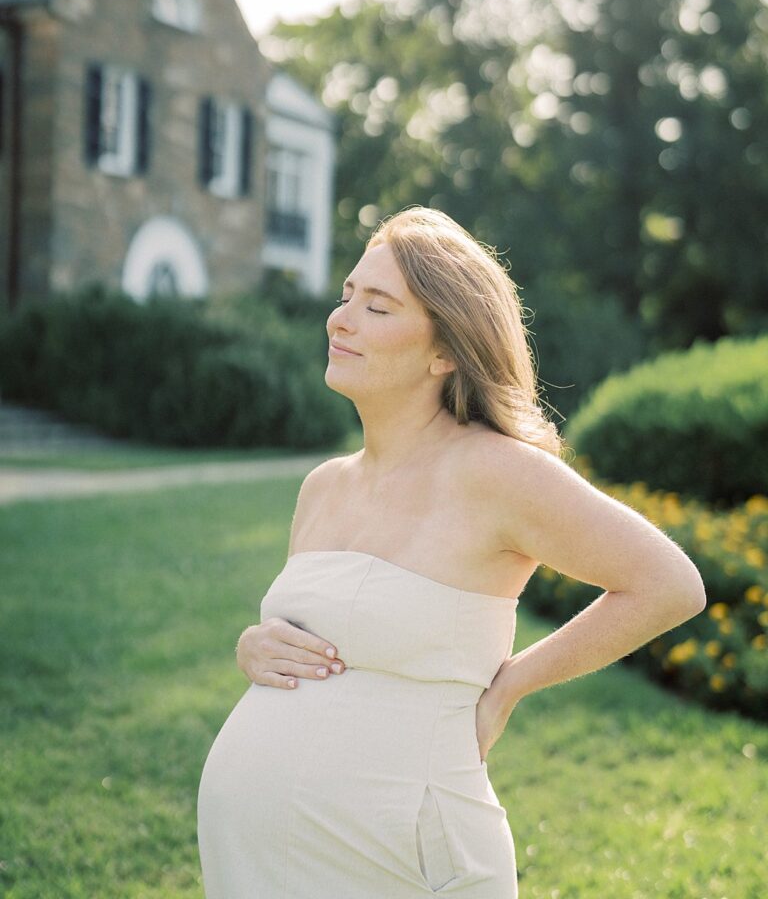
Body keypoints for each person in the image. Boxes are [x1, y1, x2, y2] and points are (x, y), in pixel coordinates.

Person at [197, 205, 706, 898]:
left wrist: (514, 683)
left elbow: (669, 583)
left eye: (377, 307)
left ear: (444, 352)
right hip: (258, 864)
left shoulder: (497, 474)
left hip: (409, 862)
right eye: (347, 295)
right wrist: (255, 648)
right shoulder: (323, 487)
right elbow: (327, 638)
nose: (339, 319)